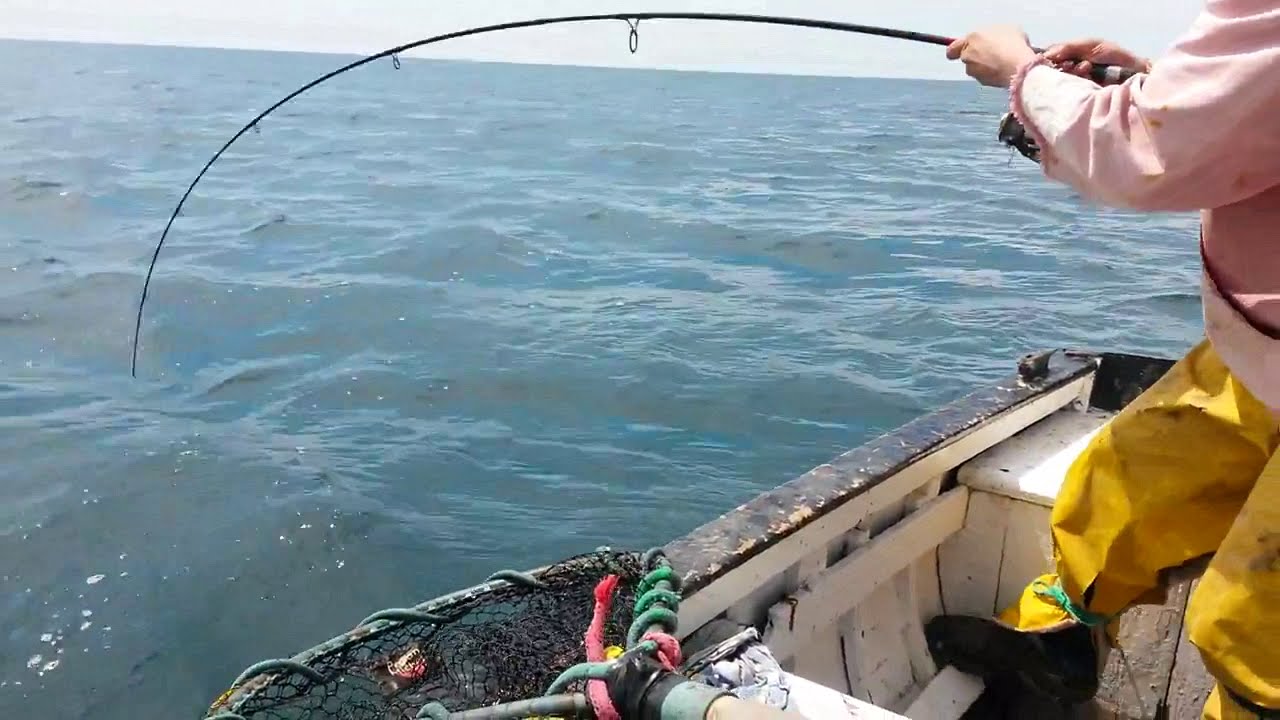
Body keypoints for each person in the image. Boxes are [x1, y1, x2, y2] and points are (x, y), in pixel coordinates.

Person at [928, 3, 1280, 719]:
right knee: (1125, 478)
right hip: (1264, 348)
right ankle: (1060, 637)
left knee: (1254, 629)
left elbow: (1147, 152)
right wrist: (1159, 80)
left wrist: (1020, 75)